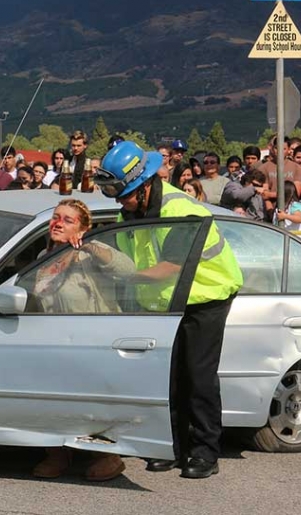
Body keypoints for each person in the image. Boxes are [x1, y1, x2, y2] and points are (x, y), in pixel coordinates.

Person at [93, 140, 243, 479]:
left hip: (206, 297)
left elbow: (169, 267)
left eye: (122, 192)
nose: (118, 200)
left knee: (198, 377)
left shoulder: (180, 210)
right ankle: (172, 448)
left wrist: (124, 278)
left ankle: (205, 452)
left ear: (144, 185)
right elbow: (117, 252)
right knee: (169, 378)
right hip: (167, 302)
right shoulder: (129, 211)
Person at [29, 199, 134, 482]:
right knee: (51, 399)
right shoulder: (45, 254)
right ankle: (58, 454)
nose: (58, 222)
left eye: (68, 219)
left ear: (83, 228)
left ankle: (107, 456)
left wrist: (90, 244)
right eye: (55, 216)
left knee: (92, 405)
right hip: (54, 341)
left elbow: (128, 270)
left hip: (93, 341)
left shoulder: (90, 253)